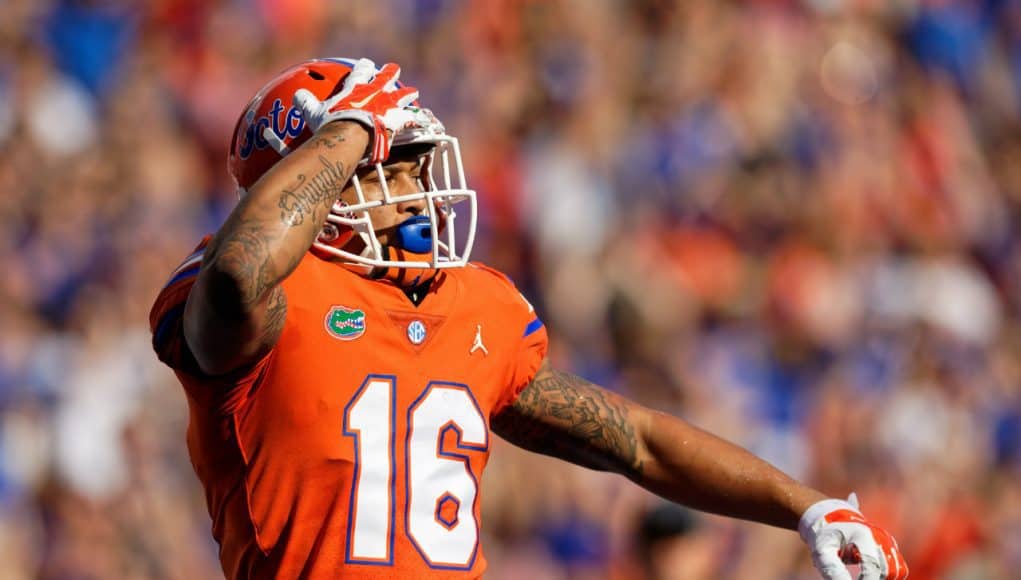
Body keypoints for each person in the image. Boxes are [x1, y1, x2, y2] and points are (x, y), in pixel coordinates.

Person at [149, 58, 908, 580]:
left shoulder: (472, 307)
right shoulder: (259, 301)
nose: (421, 192)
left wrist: (806, 506)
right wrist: (346, 131)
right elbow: (242, 272)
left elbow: (636, 442)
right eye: (393, 168)